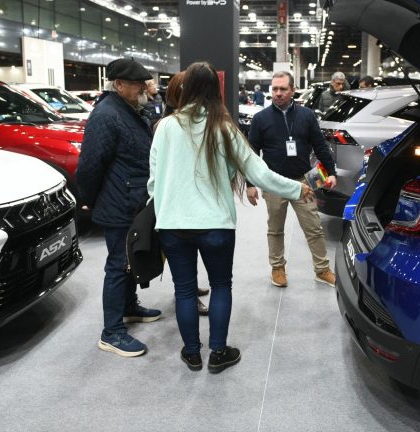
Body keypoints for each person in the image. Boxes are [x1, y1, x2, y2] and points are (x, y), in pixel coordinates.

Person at [149, 61, 314, 373]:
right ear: (216, 90)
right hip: (216, 224)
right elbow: (260, 173)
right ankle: (218, 353)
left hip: (172, 225)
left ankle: (192, 354)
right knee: (221, 285)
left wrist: (163, 210)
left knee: (184, 290)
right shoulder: (224, 128)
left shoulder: (165, 127)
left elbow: (153, 182)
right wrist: (296, 189)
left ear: (186, 88)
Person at [76, 57, 162, 358]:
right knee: (118, 264)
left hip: (132, 200)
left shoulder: (128, 109)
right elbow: (90, 165)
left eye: (144, 83)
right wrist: (89, 198)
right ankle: (111, 332)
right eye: (138, 84)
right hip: (119, 203)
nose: (144, 88)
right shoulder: (106, 115)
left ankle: (128, 307)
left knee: (130, 261)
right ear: (119, 84)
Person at [247, 70, 338, 289]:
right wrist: (250, 184)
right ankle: (277, 268)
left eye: (283, 89)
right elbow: (251, 153)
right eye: (275, 89)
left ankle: (322, 270)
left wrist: (331, 171)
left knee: (314, 228)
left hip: (303, 183)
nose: (278, 93)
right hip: (274, 183)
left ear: (293, 90)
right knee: (275, 229)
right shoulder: (260, 119)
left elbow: (320, 145)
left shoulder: (307, 116)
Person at [161, 71, 211, 317]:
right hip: (175, 203)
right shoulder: (169, 124)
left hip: (190, 200)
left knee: (189, 251)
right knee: (182, 254)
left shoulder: (193, 120)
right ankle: (188, 294)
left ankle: (189, 289)